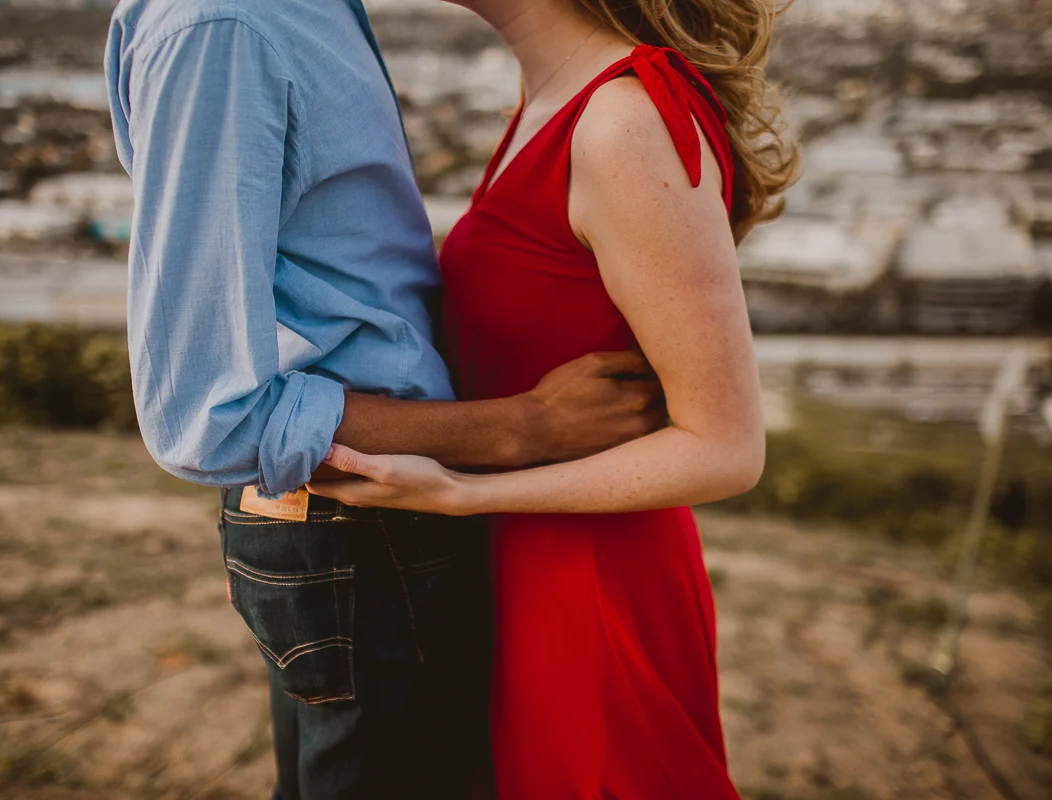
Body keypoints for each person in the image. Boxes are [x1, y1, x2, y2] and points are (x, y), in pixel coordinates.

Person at [104, 0, 666, 797]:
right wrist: (521, 428)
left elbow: (326, 261)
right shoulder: (227, 23)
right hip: (365, 525)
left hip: (368, 522)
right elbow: (205, 413)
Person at [308, 0, 800, 796]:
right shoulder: (553, 99)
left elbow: (727, 448)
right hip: (527, 568)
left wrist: (470, 493)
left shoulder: (623, 119)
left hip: (589, 592)